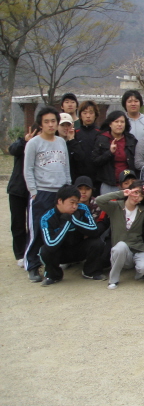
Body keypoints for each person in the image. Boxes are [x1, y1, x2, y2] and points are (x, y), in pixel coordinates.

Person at [23, 106, 72, 282]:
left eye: (53, 121)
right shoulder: (33, 143)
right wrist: (33, 192)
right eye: (47, 122)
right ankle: (32, 265)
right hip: (41, 193)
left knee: (55, 230)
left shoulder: (61, 142)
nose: (51, 125)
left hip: (59, 193)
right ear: (41, 124)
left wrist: (68, 188)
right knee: (37, 229)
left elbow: (66, 167)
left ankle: (51, 265)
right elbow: (28, 169)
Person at [96, 180, 144, 290]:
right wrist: (122, 193)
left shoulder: (142, 210)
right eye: (136, 192)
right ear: (130, 191)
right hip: (120, 250)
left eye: (141, 195)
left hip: (138, 248)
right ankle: (113, 280)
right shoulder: (115, 207)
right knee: (121, 246)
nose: (137, 197)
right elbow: (99, 200)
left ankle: (139, 273)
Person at [37, 185, 106, 286]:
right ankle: (54, 276)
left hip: (79, 248)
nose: (75, 206)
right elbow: (51, 244)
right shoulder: (46, 218)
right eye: (71, 202)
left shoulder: (83, 208)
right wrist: (66, 223)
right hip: (60, 253)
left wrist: (74, 220)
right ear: (60, 201)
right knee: (45, 251)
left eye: (76, 203)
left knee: (97, 243)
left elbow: (94, 230)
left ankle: (91, 272)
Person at [8, 124, 39, 268]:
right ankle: (20, 254)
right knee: (18, 223)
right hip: (18, 189)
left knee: (33, 223)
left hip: (35, 190)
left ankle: (31, 251)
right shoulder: (24, 143)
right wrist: (24, 141)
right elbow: (12, 150)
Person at [92, 111, 137, 194]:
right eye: (116, 122)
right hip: (108, 183)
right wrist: (110, 152)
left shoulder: (131, 139)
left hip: (128, 183)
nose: (119, 124)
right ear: (110, 124)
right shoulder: (101, 139)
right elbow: (95, 161)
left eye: (122, 122)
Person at [67, 100, 101, 183]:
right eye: (85, 113)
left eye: (91, 113)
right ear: (80, 115)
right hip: (77, 176)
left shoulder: (100, 133)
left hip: (96, 177)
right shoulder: (75, 133)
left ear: (95, 115)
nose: (88, 116)